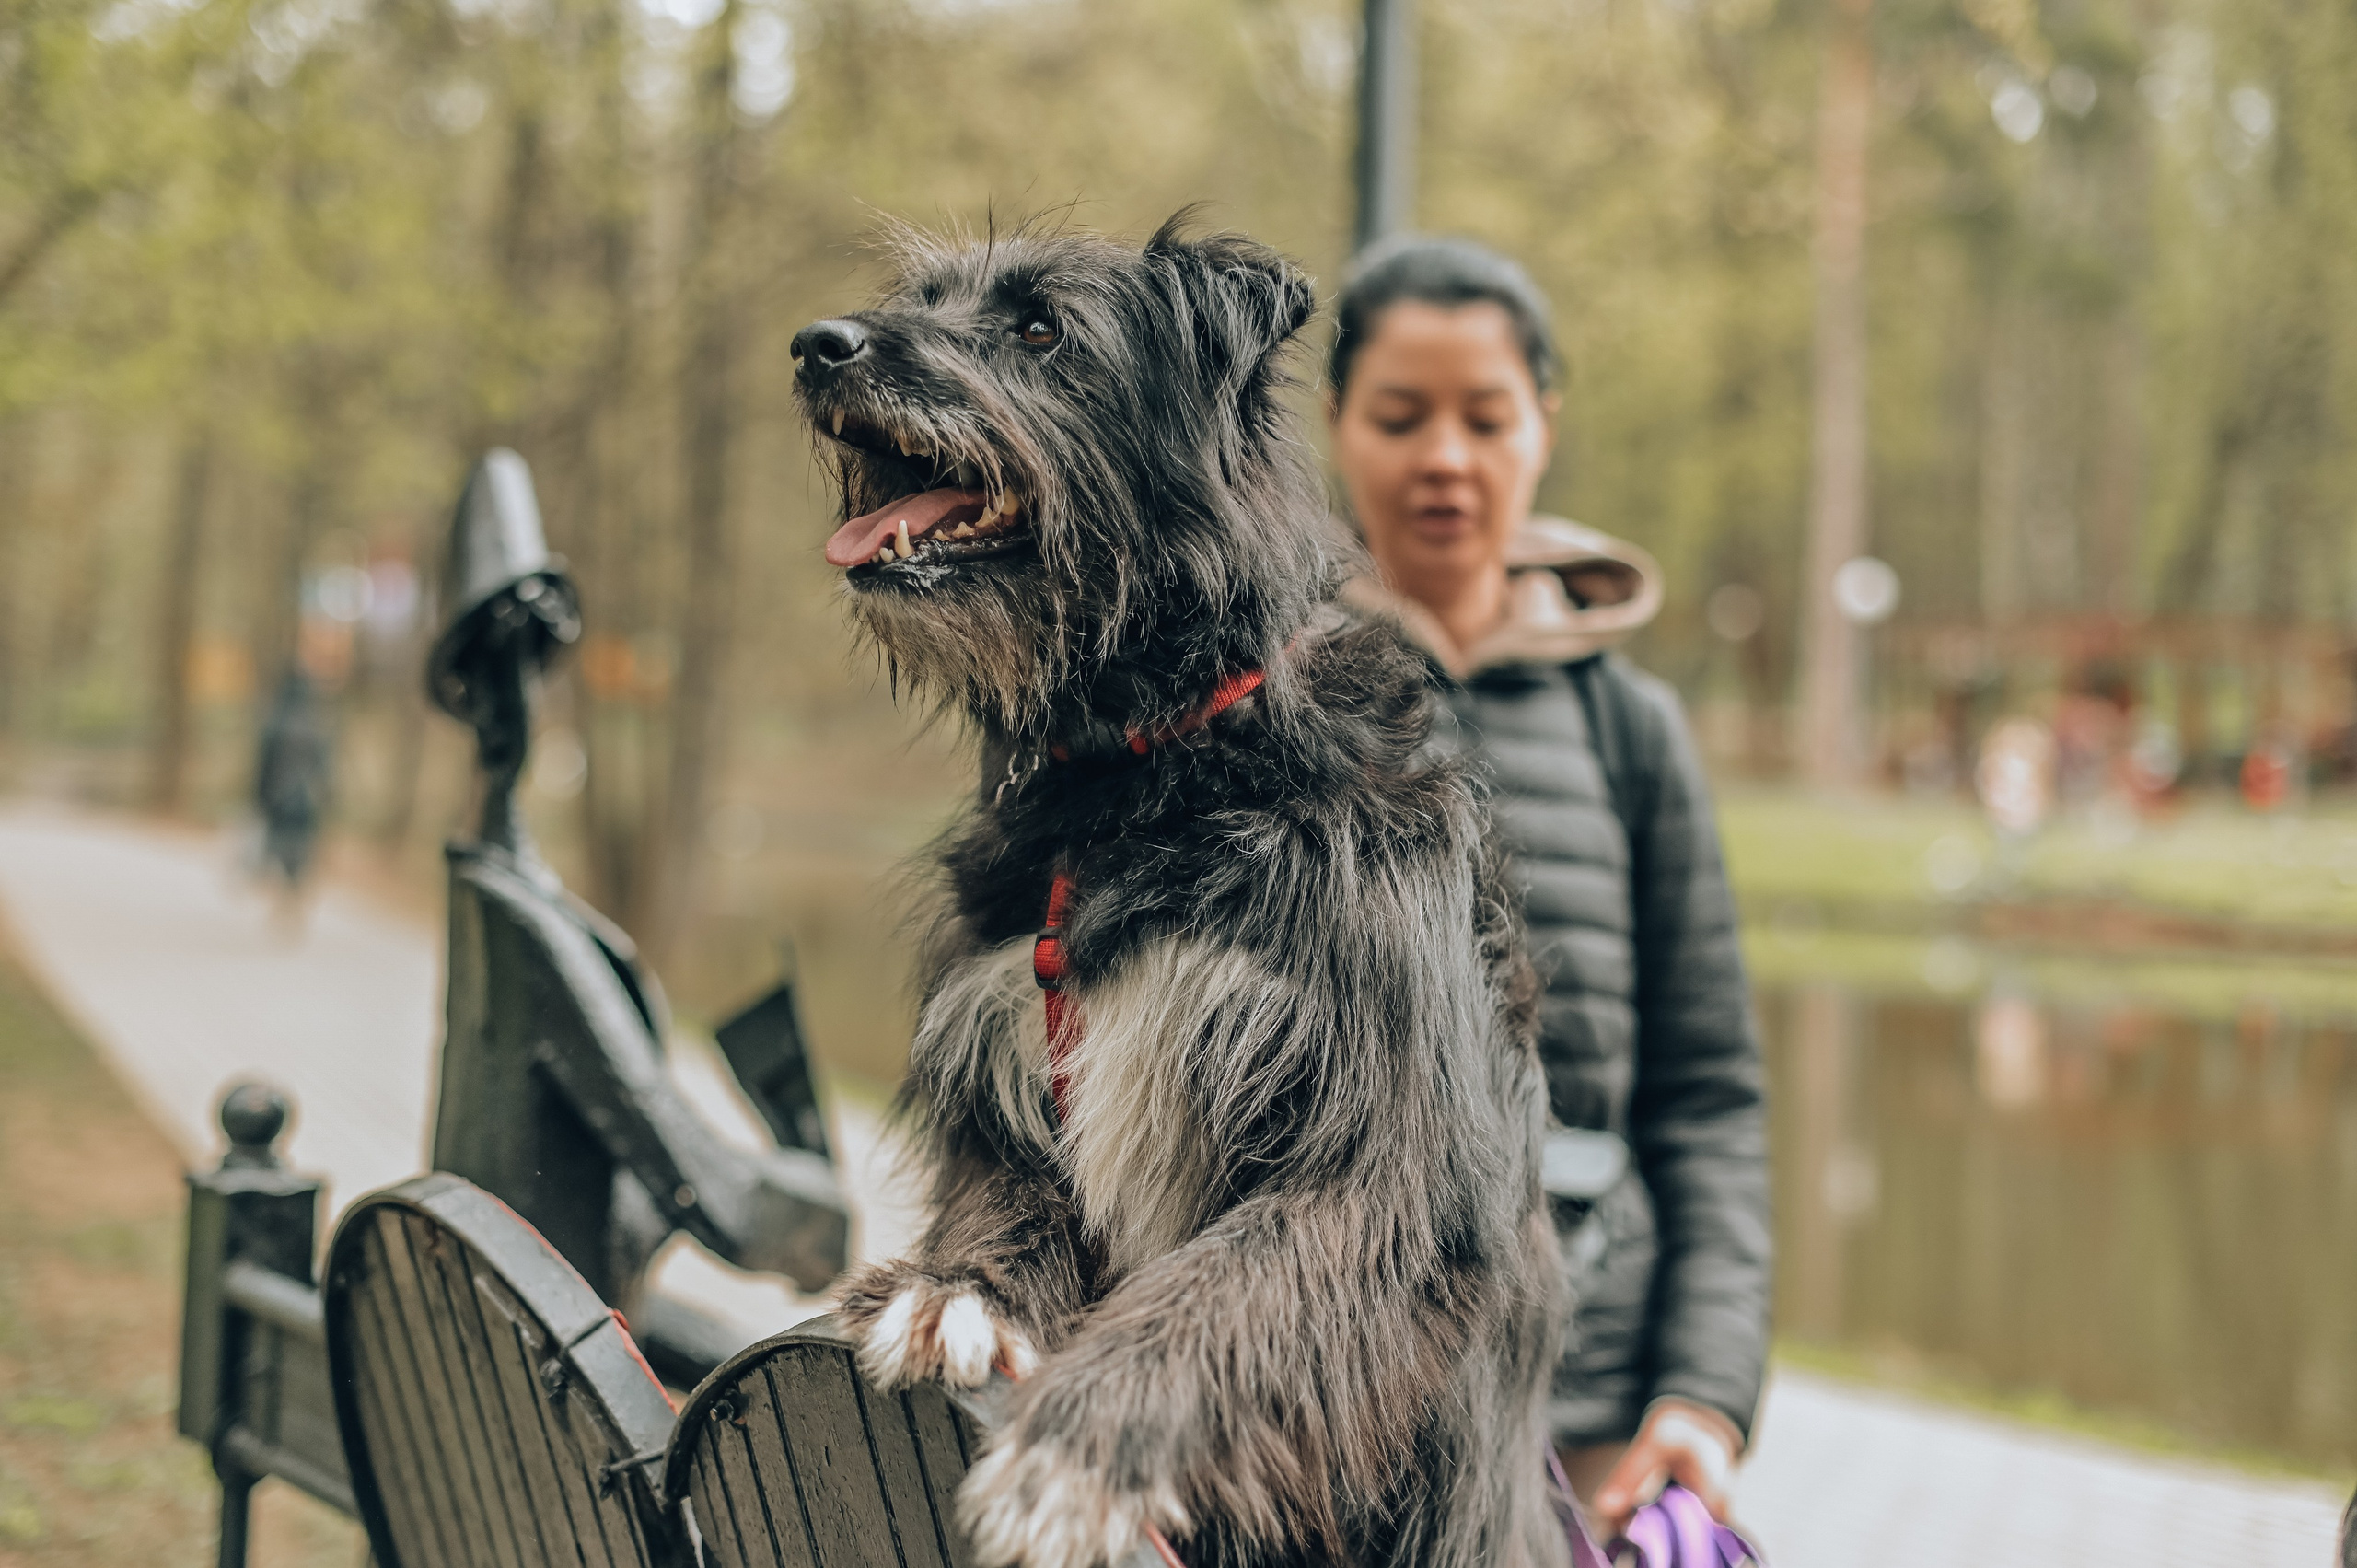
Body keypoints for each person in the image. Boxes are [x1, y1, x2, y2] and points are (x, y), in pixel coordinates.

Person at [1327, 236, 1771, 1536]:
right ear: (1338, 424)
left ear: (1545, 424)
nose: (1444, 458)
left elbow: (1709, 1095)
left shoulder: (1630, 729)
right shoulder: (1264, 699)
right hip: (1321, 1406)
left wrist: (1706, 1392)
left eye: (1486, 417)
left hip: (1591, 1402)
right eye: (1399, 417)